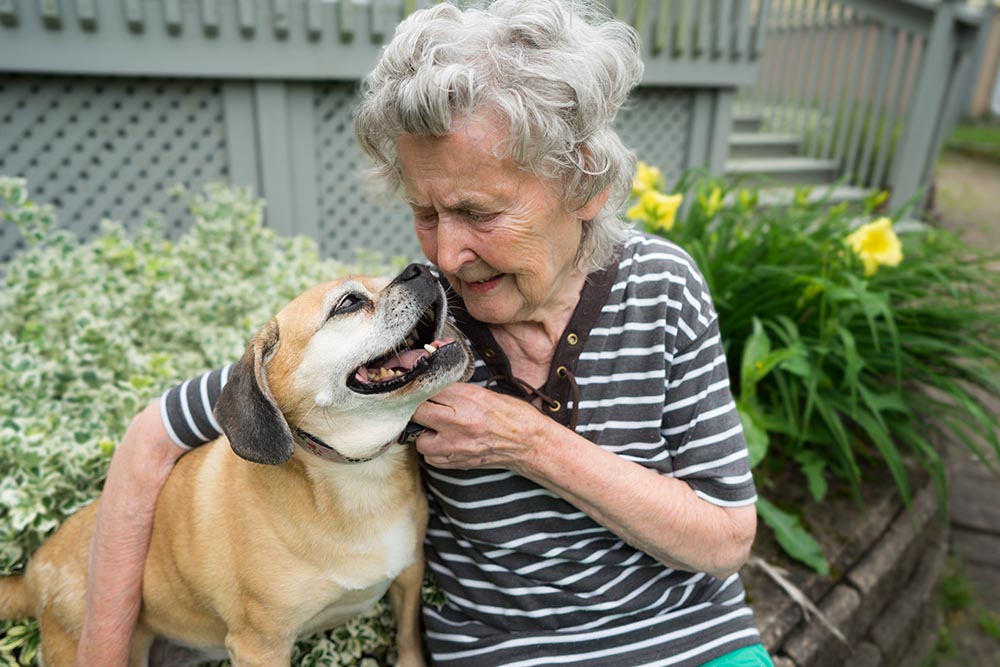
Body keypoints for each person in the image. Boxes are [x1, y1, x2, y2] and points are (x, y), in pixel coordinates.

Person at [76, 1, 770, 665]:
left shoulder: (663, 287)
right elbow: (155, 436)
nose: (446, 257)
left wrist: (527, 442)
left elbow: (725, 537)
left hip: (697, 639)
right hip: (509, 651)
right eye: (426, 212)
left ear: (584, 182)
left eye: (479, 211)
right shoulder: (407, 335)